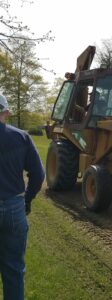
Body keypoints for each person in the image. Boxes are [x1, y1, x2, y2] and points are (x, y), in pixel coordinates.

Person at [0, 93, 45, 300]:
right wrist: (26, 200)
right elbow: (38, 174)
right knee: (14, 270)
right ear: (6, 112)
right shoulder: (21, 137)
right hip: (13, 208)